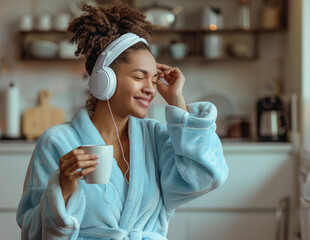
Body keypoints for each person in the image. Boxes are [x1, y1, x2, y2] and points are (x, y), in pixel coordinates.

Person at [16, 2, 228, 240]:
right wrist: (63, 188)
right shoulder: (57, 142)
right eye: (139, 77)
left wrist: (176, 100)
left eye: (154, 79)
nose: (151, 89)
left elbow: (206, 177)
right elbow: (31, 233)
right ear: (105, 80)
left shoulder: (155, 138)